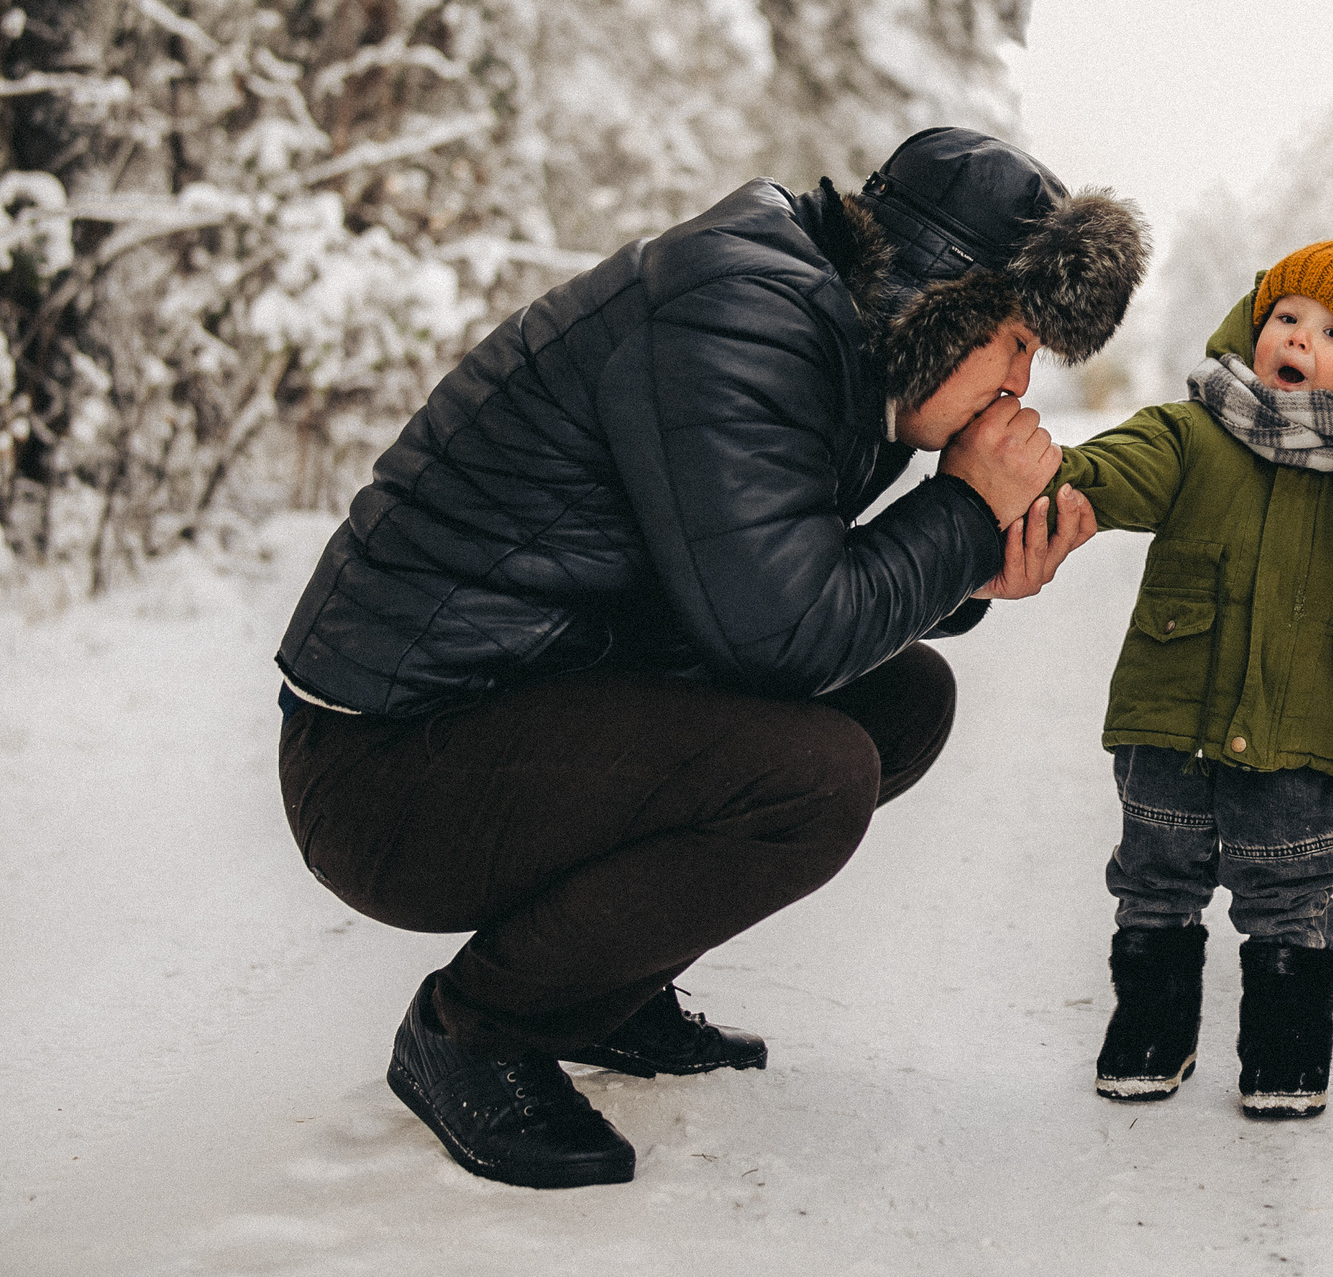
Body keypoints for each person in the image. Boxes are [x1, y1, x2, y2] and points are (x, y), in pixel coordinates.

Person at [272, 127, 1147, 1188]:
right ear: (939, 302)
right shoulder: (741, 314)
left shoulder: (833, 338)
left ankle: (600, 988)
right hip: (385, 768)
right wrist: (961, 515)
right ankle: (475, 1034)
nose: (1018, 383)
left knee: (901, 701)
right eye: (1013, 342)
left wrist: (969, 570)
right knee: (812, 779)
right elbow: (779, 634)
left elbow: (755, 586)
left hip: (516, 702)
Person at [1050, 204, 1333, 1118]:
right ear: (1259, 325)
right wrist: (1058, 472)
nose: (1301, 337)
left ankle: (1287, 1056)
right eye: (1288, 315)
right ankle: (1151, 1034)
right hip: (1169, 716)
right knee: (1154, 878)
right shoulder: (1194, 430)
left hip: (1300, 725)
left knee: (1290, 888)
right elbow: (1122, 464)